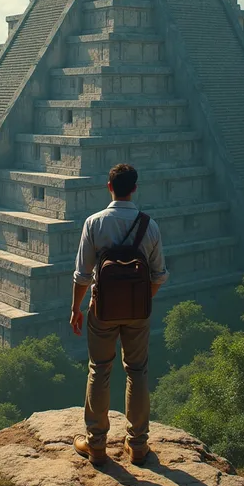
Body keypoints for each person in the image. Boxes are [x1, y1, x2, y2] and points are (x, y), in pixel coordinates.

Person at [70, 163, 168, 466]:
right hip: (138, 310)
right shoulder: (149, 225)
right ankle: (138, 444)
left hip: (102, 308)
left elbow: (82, 274)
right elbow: (158, 275)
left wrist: (76, 308)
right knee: (137, 371)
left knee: (99, 368)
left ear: (109, 187)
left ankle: (96, 443)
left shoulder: (94, 223)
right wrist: (140, 302)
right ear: (134, 188)